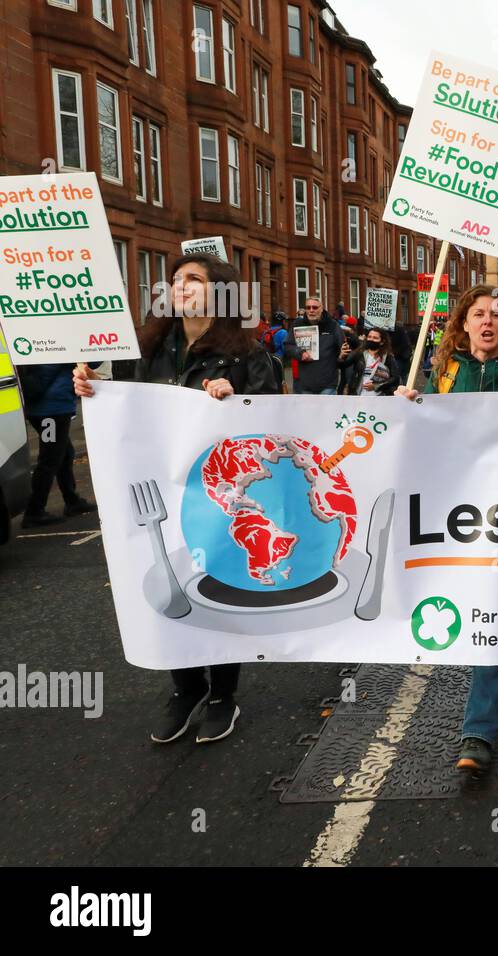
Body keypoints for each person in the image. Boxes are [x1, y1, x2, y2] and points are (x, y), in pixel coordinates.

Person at [73, 252, 281, 745]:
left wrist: (238, 400)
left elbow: (273, 420)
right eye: (176, 280)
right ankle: (184, 686)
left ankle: (222, 695)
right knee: (165, 583)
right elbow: (123, 402)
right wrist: (93, 387)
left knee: (216, 584)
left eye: (194, 279)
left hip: (218, 494)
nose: (181, 286)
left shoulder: (247, 354)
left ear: (221, 292)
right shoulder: (146, 347)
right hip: (157, 490)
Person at [395, 285, 498, 772]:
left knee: (493, 606)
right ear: (464, 322)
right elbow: (421, 430)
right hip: (450, 509)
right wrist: (407, 405)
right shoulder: (443, 371)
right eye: (479, 314)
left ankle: (479, 729)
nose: (488, 321)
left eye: (497, 315)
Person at [17, 363, 96, 527]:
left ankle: (72, 500)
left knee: (65, 454)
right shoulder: (58, 349)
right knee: (50, 459)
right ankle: (34, 511)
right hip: (51, 413)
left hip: (49, 410)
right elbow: (91, 361)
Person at [293, 297, 348, 395]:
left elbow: (343, 349)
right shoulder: (298, 324)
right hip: (305, 384)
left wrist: (342, 355)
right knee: (308, 411)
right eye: (308, 307)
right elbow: (288, 346)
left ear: (321, 308)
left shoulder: (332, 325)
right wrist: (299, 353)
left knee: (328, 411)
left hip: (328, 384)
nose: (311, 310)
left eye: (314, 307)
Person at [350, 327, 401, 396]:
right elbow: (343, 364)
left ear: (382, 342)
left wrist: (376, 386)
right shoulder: (359, 353)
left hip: (380, 398)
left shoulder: (388, 357)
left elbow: (395, 379)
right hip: (359, 395)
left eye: (375, 338)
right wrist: (342, 356)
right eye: (369, 337)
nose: (371, 339)